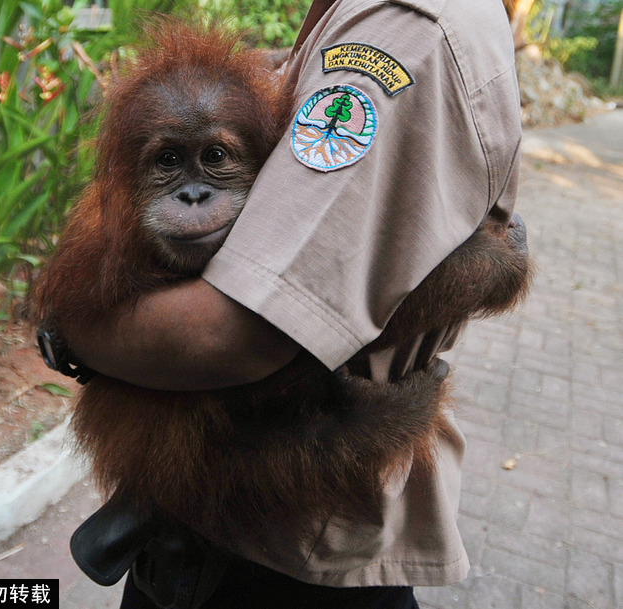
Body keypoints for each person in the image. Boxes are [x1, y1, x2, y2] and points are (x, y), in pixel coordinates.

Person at [61, 0, 524, 607]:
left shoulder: (408, 28)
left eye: (216, 160)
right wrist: (484, 266)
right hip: (231, 508)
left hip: (280, 564)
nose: (195, 195)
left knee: (354, 424)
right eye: (167, 164)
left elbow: (271, 322)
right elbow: (272, 328)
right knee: (391, 416)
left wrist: (73, 333)